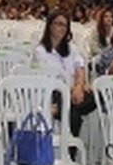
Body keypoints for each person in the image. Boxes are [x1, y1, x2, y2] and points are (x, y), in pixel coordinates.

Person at [32, 11, 96, 139]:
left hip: (74, 91)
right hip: (53, 93)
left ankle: (58, 109)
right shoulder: (40, 51)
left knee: (97, 97)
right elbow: (49, 78)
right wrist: (70, 89)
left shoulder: (71, 48)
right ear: (49, 26)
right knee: (72, 112)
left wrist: (79, 86)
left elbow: (80, 68)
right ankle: (71, 153)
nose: (61, 28)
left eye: (64, 25)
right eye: (58, 24)